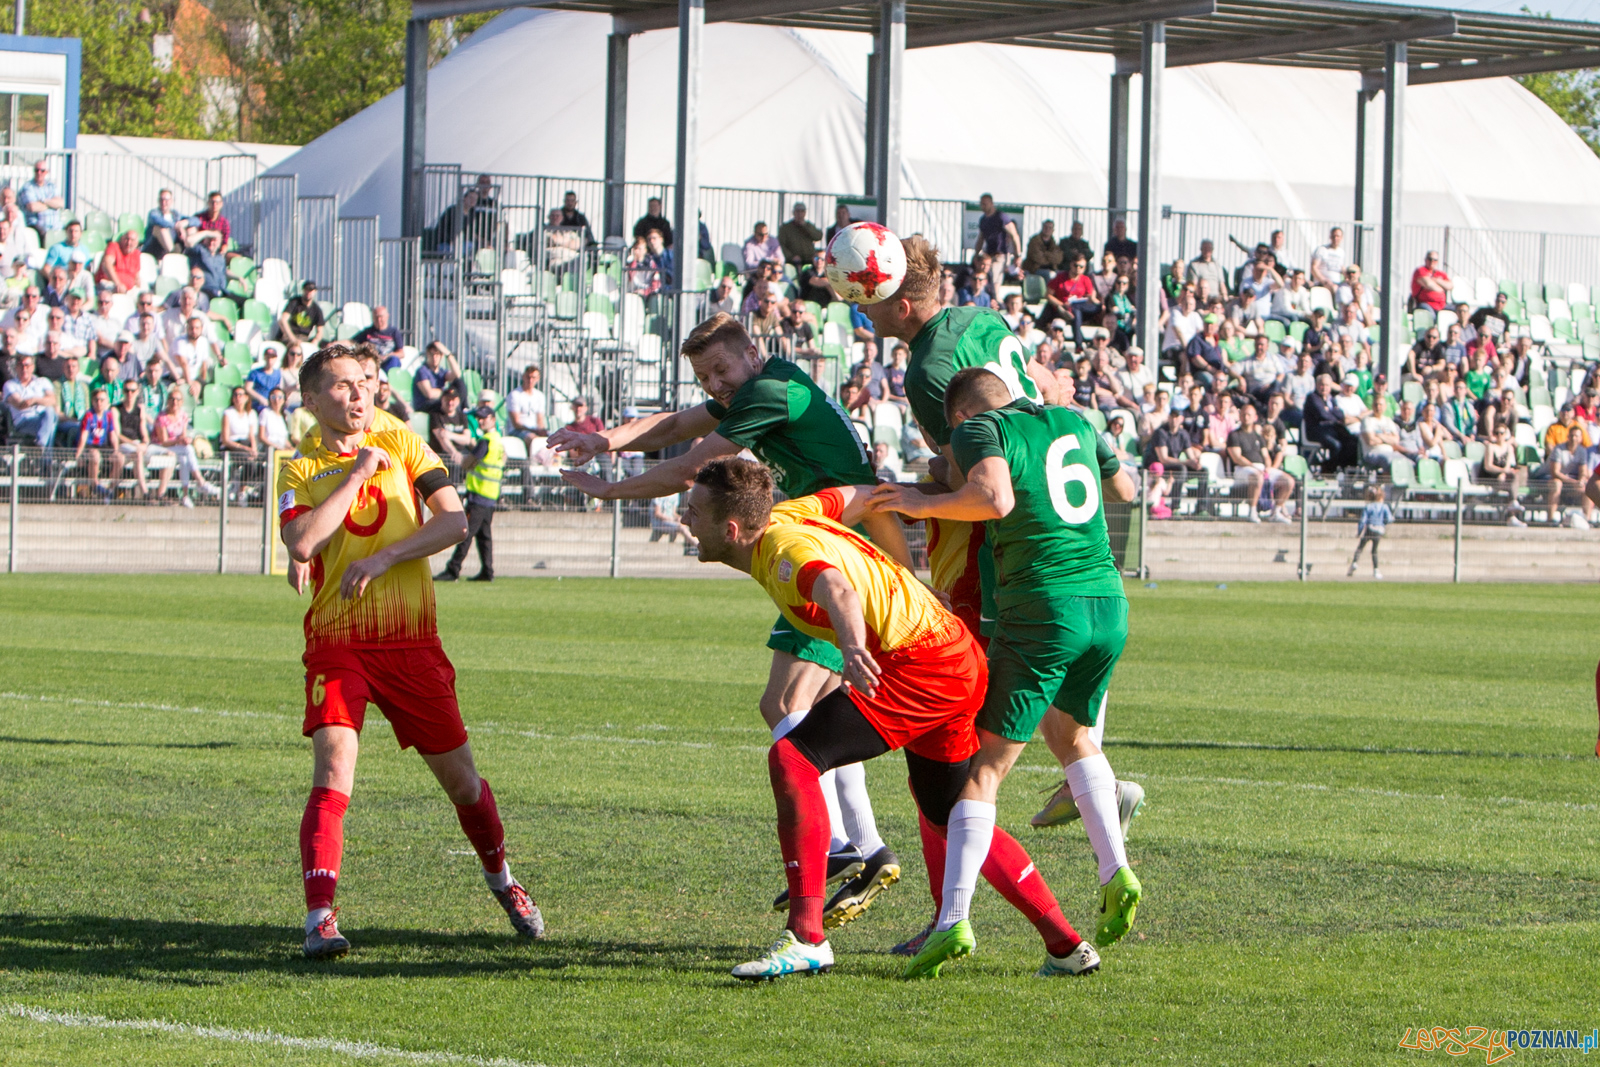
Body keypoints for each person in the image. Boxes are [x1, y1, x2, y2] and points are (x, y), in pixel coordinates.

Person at [548, 314, 911, 923]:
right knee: (816, 708)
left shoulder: (768, 391)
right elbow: (674, 424)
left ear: (752, 353)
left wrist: (608, 490)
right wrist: (604, 441)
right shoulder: (764, 386)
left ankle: (841, 846)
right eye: (704, 376)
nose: (715, 384)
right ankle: (866, 848)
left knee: (785, 701)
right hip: (837, 543)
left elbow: (690, 467)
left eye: (720, 369)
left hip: (835, 554)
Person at [685, 459, 1096, 981]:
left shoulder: (783, 551)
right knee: (951, 814)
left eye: (693, 511)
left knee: (793, 758)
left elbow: (837, 589)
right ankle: (1066, 945)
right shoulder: (791, 514)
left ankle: (807, 938)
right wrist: (903, 545)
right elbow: (861, 497)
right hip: (952, 651)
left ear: (731, 530)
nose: (684, 519)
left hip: (921, 663)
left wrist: (852, 646)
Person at [869, 367, 1141, 976]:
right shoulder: (1072, 419)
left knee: (983, 771)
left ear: (960, 418)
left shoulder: (979, 428)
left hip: (1043, 605)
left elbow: (994, 498)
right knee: (1072, 737)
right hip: (1108, 602)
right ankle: (1115, 869)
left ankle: (951, 921)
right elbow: (1124, 486)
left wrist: (921, 500)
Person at [277, 347, 541, 960]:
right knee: (333, 769)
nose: (358, 393)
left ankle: (503, 879)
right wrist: (355, 475)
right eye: (341, 386)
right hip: (338, 641)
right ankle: (319, 918)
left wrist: (385, 557)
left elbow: (453, 523)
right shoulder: (300, 469)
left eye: (362, 382)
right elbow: (303, 542)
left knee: (463, 784)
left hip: (411, 642)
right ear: (312, 401)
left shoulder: (404, 442)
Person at [437, 402, 504, 582]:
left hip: (479, 495)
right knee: (484, 536)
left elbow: (468, 463)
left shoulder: (485, 441)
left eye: (484, 418)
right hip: (491, 494)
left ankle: (453, 569)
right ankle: (487, 571)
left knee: (465, 533)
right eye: (479, 418)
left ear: (493, 419)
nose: (480, 421)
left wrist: (461, 457)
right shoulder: (498, 440)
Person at [1227, 402, 1295, 522]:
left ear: (1255, 417)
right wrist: (1253, 466)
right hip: (1243, 469)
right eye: (1243, 414)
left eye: (1249, 415)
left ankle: (1276, 512)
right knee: (1257, 477)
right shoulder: (1234, 435)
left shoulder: (1258, 436)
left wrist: (1268, 468)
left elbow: (1266, 456)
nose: (1246, 417)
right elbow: (1237, 457)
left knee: (1288, 481)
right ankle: (1252, 512)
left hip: (1261, 468)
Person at [148, 386, 215, 506]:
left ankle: (185, 495)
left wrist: (185, 440)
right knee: (188, 450)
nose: (175, 402)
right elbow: (164, 441)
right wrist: (179, 440)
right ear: (168, 401)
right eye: (172, 399)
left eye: (178, 399)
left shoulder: (183, 416)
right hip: (162, 447)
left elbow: (183, 435)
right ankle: (200, 481)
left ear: (182, 402)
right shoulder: (161, 417)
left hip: (177, 447)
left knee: (185, 458)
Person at [4, 355, 57, 450]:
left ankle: (41, 444)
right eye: (21, 365)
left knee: (50, 413)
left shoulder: (43, 381)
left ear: (33, 367)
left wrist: (35, 400)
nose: (24, 369)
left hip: (45, 418)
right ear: (16, 367)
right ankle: (43, 449)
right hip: (24, 421)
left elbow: (52, 400)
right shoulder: (10, 385)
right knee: (51, 426)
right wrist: (42, 401)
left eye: (27, 365)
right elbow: (19, 404)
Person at [972, 195, 1021, 280]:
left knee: (994, 280)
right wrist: (976, 254)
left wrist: (1017, 255)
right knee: (985, 279)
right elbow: (981, 239)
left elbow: (1014, 235)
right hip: (988, 255)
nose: (983, 206)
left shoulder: (1001, 217)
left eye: (985, 204)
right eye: (981, 204)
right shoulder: (983, 219)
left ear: (991, 203)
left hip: (1000, 255)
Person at [113, 383, 150, 497]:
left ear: (137, 392)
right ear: (123, 392)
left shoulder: (140, 409)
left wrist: (145, 442)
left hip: (138, 444)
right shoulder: (116, 409)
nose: (130, 393)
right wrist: (134, 444)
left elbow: (143, 431)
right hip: (124, 445)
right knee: (138, 453)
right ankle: (145, 491)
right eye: (127, 390)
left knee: (168, 454)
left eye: (133, 391)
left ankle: (161, 494)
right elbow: (118, 435)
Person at [1347, 485, 1391, 580]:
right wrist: (1383, 524)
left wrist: (1359, 532)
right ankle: (1376, 570)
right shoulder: (1384, 507)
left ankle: (1355, 562)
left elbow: (1363, 520)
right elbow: (1389, 519)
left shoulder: (1369, 506)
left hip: (1370, 529)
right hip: (1379, 530)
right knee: (1374, 551)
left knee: (1360, 547)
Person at [18, 160, 63, 241]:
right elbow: (32, 207)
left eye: (42, 171)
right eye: (36, 170)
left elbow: (60, 204)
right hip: (37, 229)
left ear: (47, 172)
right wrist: (51, 205)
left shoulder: (52, 186)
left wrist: (43, 201)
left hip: (55, 228)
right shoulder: (28, 187)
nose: (39, 173)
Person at [412, 341, 462, 414]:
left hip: (439, 401)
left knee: (460, 383)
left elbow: (457, 375)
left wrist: (448, 354)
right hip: (424, 405)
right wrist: (447, 394)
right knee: (447, 404)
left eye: (437, 354)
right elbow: (429, 394)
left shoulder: (441, 371)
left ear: (441, 356)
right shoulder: (422, 371)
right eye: (431, 354)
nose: (434, 357)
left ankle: (464, 410)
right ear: (427, 355)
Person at [505, 364, 547, 446]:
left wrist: (542, 431)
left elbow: (540, 421)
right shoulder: (515, 395)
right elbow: (516, 423)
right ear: (523, 377)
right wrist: (532, 430)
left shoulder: (540, 396)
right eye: (528, 377)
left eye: (533, 378)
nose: (530, 380)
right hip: (517, 431)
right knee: (533, 440)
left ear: (538, 379)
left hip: (534, 430)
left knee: (553, 439)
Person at [429, 389, 474, 464]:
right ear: (442, 400)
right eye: (447, 399)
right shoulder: (436, 415)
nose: (450, 403)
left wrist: (450, 435)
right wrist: (454, 453)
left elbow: (467, 439)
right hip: (443, 456)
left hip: (462, 453)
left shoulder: (462, 416)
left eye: (453, 400)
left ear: (458, 401)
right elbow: (441, 437)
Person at [279, 281, 326, 347]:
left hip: (304, 338)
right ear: (303, 290)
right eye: (306, 289)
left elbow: (320, 331)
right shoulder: (294, 302)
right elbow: (283, 320)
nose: (308, 292)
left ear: (315, 292)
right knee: (296, 348)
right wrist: (293, 339)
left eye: (311, 290)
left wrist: (315, 341)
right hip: (288, 336)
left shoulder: (316, 309)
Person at [778, 202, 822, 267]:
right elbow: (781, 245)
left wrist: (805, 227)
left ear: (805, 213)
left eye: (802, 211)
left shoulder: (809, 226)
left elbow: (818, 237)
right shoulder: (785, 228)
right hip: (792, 261)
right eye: (797, 211)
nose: (800, 214)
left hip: (809, 260)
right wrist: (791, 257)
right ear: (793, 213)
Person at [143, 188, 184, 256]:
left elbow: (195, 221)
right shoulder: (154, 213)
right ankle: (172, 254)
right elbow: (161, 222)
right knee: (161, 229)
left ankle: (188, 252)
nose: (163, 202)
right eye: (161, 200)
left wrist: (185, 223)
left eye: (166, 200)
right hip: (154, 247)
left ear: (172, 201)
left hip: (173, 243)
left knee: (188, 227)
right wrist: (176, 226)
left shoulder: (175, 214)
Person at [246, 345, 284, 410]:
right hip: (257, 404)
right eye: (268, 357)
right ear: (264, 357)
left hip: (272, 403)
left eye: (272, 357)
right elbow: (248, 388)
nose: (270, 359)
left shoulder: (278, 373)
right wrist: (260, 399)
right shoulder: (255, 373)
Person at [260, 387, 292, 452]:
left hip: (281, 451)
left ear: (284, 400)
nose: (277, 400)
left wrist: (290, 448)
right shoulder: (265, 412)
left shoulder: (284, 416)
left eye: (280, 397)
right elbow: (261, 436)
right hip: (269, 450)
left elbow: (284, 440)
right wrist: (277, 447)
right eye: (273, 397)